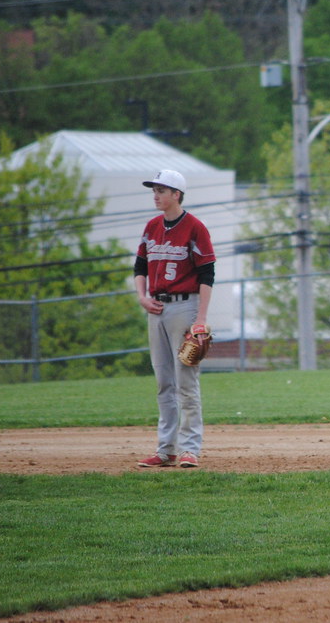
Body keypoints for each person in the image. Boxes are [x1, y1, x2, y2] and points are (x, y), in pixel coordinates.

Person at [133, 169, 215, 468]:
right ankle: (165, 449)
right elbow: (140, 266)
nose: (155, 195)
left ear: (176, 194)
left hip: (185, 308)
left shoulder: (194, 228)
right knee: (163, 383)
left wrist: (201, 320)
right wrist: (142, 297)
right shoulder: (152, 226)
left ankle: (189, 449)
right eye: (154, 190)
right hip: (156, 309)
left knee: (186, 382)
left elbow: (207, 274)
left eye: (161, 191)